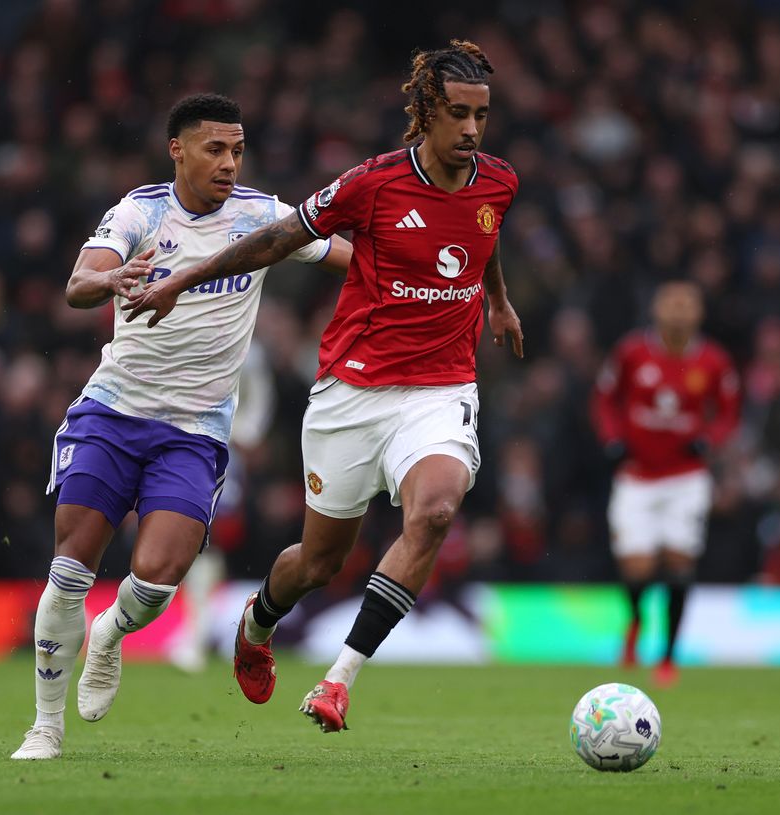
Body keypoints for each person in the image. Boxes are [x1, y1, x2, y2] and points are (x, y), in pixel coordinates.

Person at [126, 41, 524, 732]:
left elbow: (482, 239)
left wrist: (499, 300)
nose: (470, 129)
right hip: (351, 392)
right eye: (458, 114)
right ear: (427, 112)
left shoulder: (499, 181)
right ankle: (257, 623)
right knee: (317, 563)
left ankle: (339, 680)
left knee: (434, 512)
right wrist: (185, 278)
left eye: (481, 116)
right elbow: (279, 239)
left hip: (440, 388)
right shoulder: (372, 183)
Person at [11, 94, 350, 759]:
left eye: (237, 151)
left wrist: (421, 266)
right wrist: (113, 280)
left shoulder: (261, 216)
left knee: (158, 579)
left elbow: (345, 254)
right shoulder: (140, 212)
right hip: (113, 413)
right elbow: (78, 283)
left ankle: (110, 634)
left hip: (194, 430)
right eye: (214, 149)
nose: (228, 163)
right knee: (70, 571)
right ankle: (45, 727)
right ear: (178, 150)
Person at [591, 281, 740, 686]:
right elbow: (605, 399)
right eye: (671, 304)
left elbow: (729, 411)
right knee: (636, 567)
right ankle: (636, 620)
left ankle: (669, 656)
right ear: (656, 310)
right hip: (636, 476)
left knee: (679, 563)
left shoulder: (713, 361)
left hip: (686, 478)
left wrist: (710, 439)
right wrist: (612, 437)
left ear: (699, 313)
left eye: (686, 305)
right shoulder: (631, 353)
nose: (678, 312)